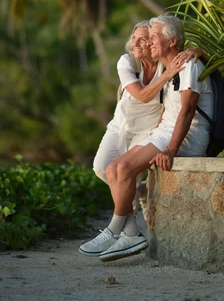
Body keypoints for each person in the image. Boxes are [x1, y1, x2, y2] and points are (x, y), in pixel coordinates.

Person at [79, 14, 214, 261]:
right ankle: (130, 232)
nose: (148, 42)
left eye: (153, 37)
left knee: (125, 168)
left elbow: (187, 111)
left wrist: (171, 149)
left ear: (172, 41)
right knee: (112, 168)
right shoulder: (161, 65)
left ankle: (115, 230)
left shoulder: (189, 65)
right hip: (161, 131)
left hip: (183, 136)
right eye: (146, 37)